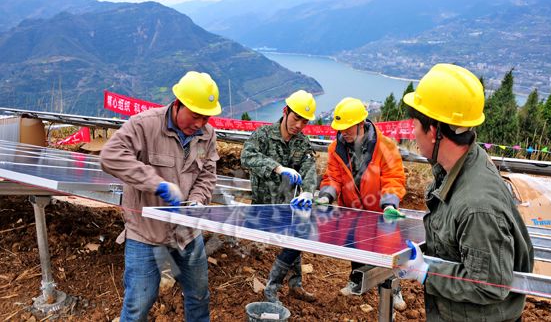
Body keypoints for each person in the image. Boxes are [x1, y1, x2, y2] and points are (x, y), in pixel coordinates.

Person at [397, 63, 534, 321]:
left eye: (415, 125)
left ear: (435, 130)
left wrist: (428, 273)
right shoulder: (463, 165)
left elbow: (489, 284)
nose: (413, 134)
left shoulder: (477, 206)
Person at [100, 71, 221, 322]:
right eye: (196, 115)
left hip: (187, 232)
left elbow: (207, 175)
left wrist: (198, 199)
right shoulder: (145, 125)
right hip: (146, 233)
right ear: (177, 105)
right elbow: (110, 156)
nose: (200, 123)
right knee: (138, 305)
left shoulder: (207, 135)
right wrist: (157, 184)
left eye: (206, 116)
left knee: (199, 296)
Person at [317, 97, 408, 311]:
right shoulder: (335, 149)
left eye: (347, 128)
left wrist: (389, 205)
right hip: (353, 211)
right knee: (355, 247)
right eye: (339, 128)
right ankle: (357, 281)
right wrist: (325, 197)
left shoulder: (385, 146)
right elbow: (333, 178)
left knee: (387, 253)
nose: (343, 133)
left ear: (361, 124)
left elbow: (393, 178)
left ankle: (393, 289)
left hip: (381, 211)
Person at [240, 90, 318, 304]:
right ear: (285, 111)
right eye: (296, 118)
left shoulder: (302, 142)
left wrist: (308, 191)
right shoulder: (263, 135)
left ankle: (291, 286)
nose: (300, 125)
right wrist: (277, 167)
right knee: (294, 238)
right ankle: (274, 289)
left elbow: (310, 167)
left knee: (299, 235)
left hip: (287, 205)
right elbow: (246, 157)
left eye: (305, 121)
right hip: (263, 206)